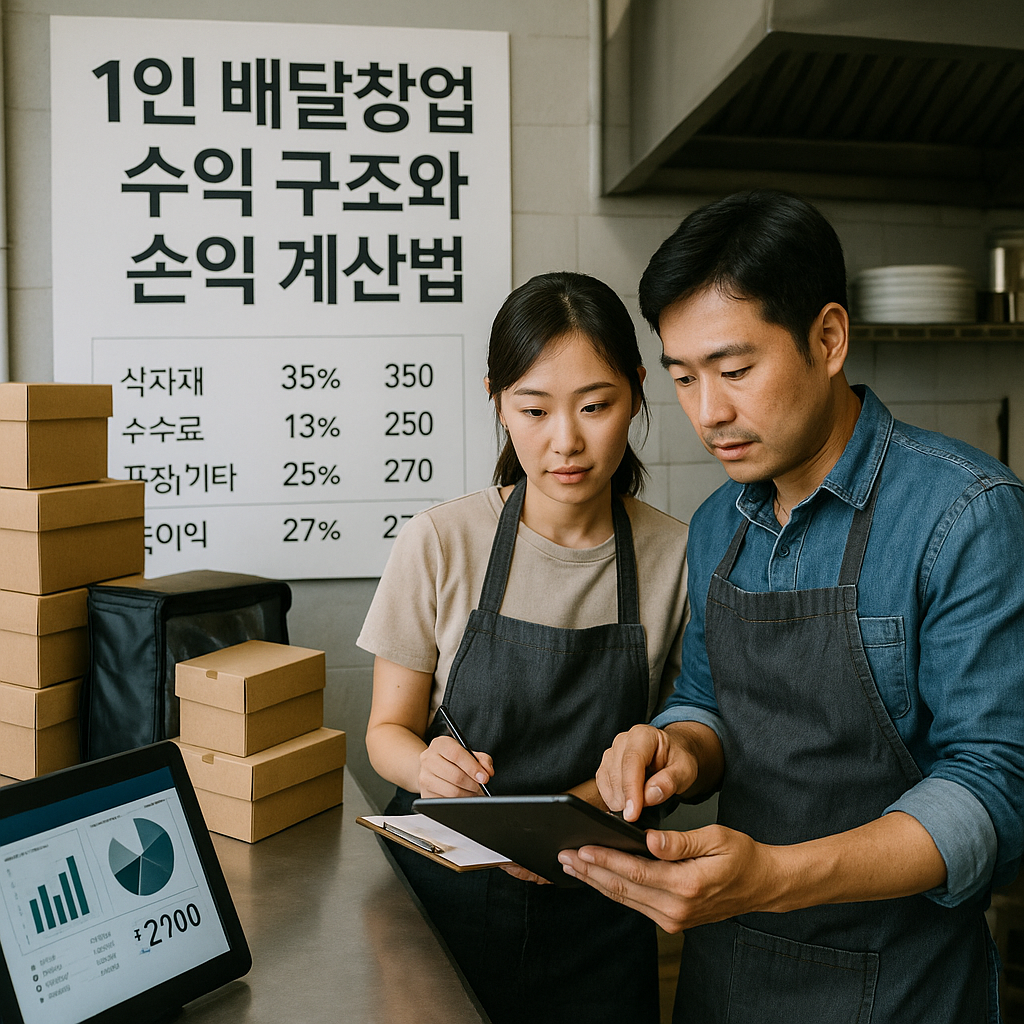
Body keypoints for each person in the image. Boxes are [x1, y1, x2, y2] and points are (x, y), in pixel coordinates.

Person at [557, 190, 1024, 1023]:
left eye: (736, 371)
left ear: (829, 338)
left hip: (902, 987)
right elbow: (709, 703)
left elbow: (995, 785)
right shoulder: (717, 527)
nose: (709, 414)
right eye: (684, 379)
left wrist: (772, 877)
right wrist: (674, 750)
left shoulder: (966, 513)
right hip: (728, 973)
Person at [358, 271, 689, 1024]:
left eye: (595, 406)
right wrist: (423, 764)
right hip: (441, 898)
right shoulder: (442, 541)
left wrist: (569, 825)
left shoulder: (679, 558)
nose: (564, 441)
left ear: (637, 393)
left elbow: (684, 740)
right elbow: (386, 734)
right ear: (498, 401)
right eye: (533, 409)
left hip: (603, 904)